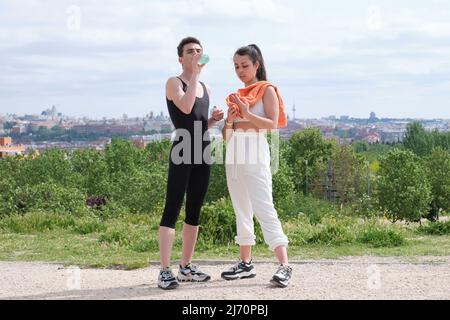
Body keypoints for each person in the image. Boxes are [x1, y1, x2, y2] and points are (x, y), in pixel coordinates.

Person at [221, 44, 292, 288]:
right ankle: (246, 264)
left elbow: (271, 125)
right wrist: (230, 120)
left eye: (245, 66)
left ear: (256, 65)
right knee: (241, 209)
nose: (240, 71)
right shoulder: (237, 96)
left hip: (256, 154)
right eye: (236, 66)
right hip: (234, 154)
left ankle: (284, 266)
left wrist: (246, 113)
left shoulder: (266, 90)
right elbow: (227, 136)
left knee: (264, 208)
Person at [158, 36, 224, 290]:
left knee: (194, 209)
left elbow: (196, 122)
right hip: (182, 149)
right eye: (190, 51)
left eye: (199, 51)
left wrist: (212, 121)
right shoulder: (174, 82)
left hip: (202, 148)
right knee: (172, 207)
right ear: (181, 58)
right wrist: (194, 74)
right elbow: (185, 109)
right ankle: (165, 270)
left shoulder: (206, 88)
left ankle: (185, 267)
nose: (195, 54)